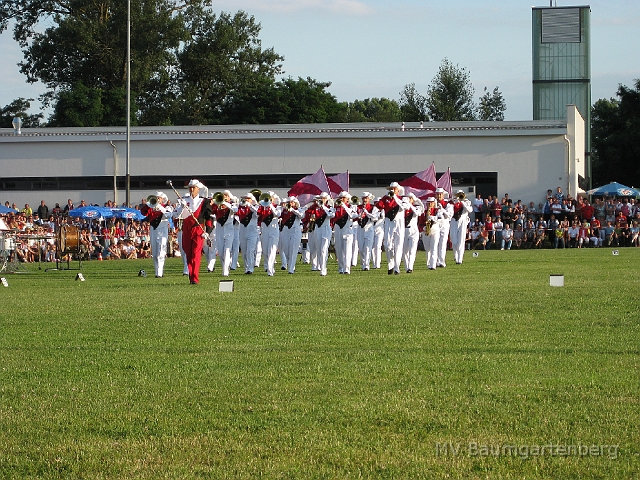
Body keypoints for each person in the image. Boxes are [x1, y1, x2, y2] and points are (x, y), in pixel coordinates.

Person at [174, 179, 212, 284]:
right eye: (190, 187)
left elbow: (209, 217)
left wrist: (207, 231)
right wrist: (181, 207)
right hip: (186, 230)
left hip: (198, 229)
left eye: (193, 187)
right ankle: (191, 277)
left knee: (196, 253)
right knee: (188, 253)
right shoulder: (182, 200)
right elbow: (176, 216)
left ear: (198, 189)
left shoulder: (204, 201)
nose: (191, 189)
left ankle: (195, 277)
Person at [375, 182, 408, 275]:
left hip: (399, 222)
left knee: (398, 245)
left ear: (398, 190)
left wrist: (395, 197)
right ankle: (391, 265)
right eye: (391, 189)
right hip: (389, 222)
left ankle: (397, 268)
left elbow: (404, 206)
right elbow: (378, 206)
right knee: (387, 245)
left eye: (394, 189)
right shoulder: (386, 198)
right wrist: (385, 198)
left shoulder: (403, 198)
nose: (392, 190)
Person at [143, 191, 173, 277]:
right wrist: (148, 205)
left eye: (158, 198)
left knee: (161, 252)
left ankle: (160, 272)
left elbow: (168, 215)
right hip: (153, 229)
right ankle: (157, 271)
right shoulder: (151, 208)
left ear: (162, 199)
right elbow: (143, 212)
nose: (157, 199)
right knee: (155, 253)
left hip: (162, 230)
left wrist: (159, 206)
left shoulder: (167, 207)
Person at [212, 189, 238, 277]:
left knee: (227, 250)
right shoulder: (217, 205)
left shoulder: (232, 204)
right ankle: (225, 266)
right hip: (219, 228)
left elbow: (235, 210)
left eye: (226, 196)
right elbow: (211, 212)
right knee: (220, 251)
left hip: (229, 228)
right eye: (223, 195)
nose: (224, 197)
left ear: (229, 197)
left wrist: (225, 203)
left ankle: (225, 271)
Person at [257, 191, 281, 276]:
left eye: (271, 197)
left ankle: (270, 270)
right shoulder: (261, 207)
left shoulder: (277, 207)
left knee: (272, 250)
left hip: (273, 229)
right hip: (265, 229)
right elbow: (257, 214)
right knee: (266, 251)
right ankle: (269, 267)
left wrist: (270, 205)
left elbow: (278, 214)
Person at [280, 196, 305, 274]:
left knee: (293, 250)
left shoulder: (299, 209)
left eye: (292, 202)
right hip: (286, 230)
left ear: (295, 203)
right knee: (286, 250)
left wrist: (293, 210)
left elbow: (301, 216)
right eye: (289, 202)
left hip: (295, 230)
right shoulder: (284, 210)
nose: (290, 203)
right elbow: (278, 215)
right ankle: (290, 264)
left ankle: (291, 269)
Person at [237, 192, 260, 274]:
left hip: (252, 231)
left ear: (251, 200)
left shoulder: (255, 207)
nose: (246, 200)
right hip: (243, 231)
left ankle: (250, 268)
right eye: (245, 199)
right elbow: (235, 212)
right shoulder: (240, 207)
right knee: (244, 251)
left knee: (250, 250)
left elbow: (258, 213)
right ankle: (246, 267)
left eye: (248, 199)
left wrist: (250, 206)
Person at [356, 192, 378, 271]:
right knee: (361, 248)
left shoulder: (373, 207)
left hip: (369, 228)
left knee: (368, 247)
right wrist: (359, 215)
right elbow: (354, 216)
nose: (364, 200)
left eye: (366, 198)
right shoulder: (358, 207)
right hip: (360, 229)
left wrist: (367, 213)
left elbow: (375, 218)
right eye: (363, 198)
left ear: (369, 199)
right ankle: (363, 262)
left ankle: (366, 265)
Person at [450, 190, 473, 264]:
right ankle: (455, 255)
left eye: (461, 195)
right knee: (454, 240)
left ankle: (460, 259)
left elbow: (470, 210)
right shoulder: (452, 202)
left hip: (463, 220)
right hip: (454, 220)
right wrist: (455, 202)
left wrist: (462, 202)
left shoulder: (467, 202)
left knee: (461, 240)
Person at [402, 192, 423, 273]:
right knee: (404, 251)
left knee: (412, 250)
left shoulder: (416, 208)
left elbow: (418, 213)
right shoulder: (402, 208)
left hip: (413, 230)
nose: (408, 200)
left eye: (410, 198)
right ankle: (407, 266)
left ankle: (410, 267)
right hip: (404, 231)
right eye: (407, 198)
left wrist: (411, 204)